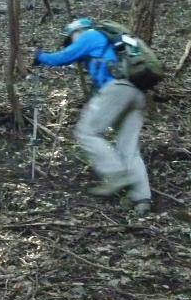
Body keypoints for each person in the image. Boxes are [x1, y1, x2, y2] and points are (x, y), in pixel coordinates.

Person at [33, 17, 152, 216]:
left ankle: (116, 174)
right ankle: (142, 198)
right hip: (137, 92)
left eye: (72, 37)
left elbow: (62, 57)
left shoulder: (89, 35)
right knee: (128, 148)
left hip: (117, 88)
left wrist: (40, 56)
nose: (73, 41)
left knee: (87, 132)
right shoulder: (112, 42)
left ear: (76, 31)